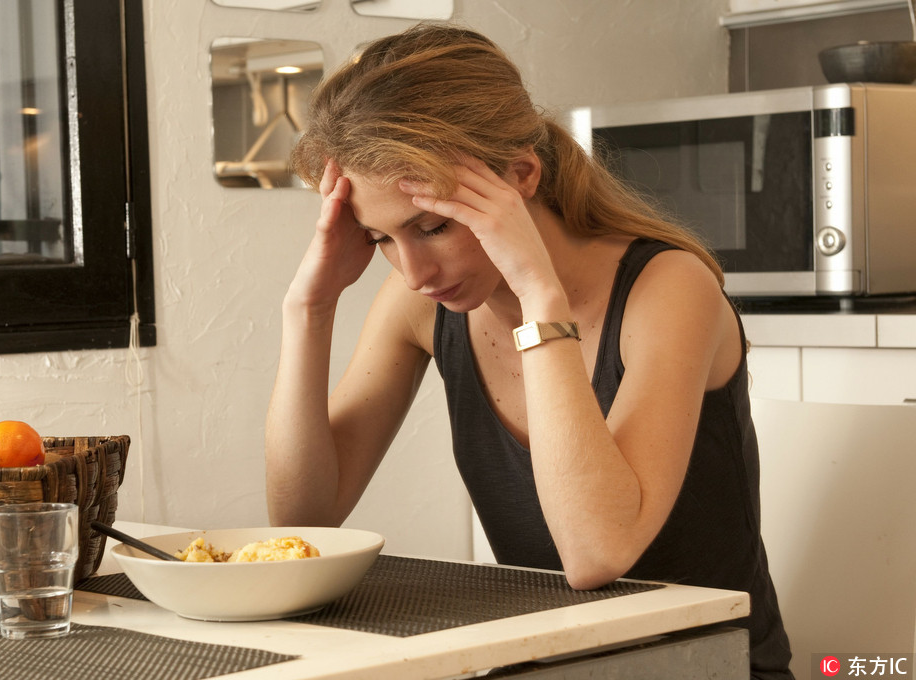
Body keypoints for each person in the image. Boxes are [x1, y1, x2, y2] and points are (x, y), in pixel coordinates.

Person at [265, 23, 793, 680]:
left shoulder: (668, 289)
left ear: (518, 177)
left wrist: (538, 293)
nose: (414, 271)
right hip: (546, 663)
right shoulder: (422, 307)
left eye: (431, 227)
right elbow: (303, 518)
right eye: (381, 240)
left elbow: (596, 554)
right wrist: (307, 309)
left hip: (706, 666)